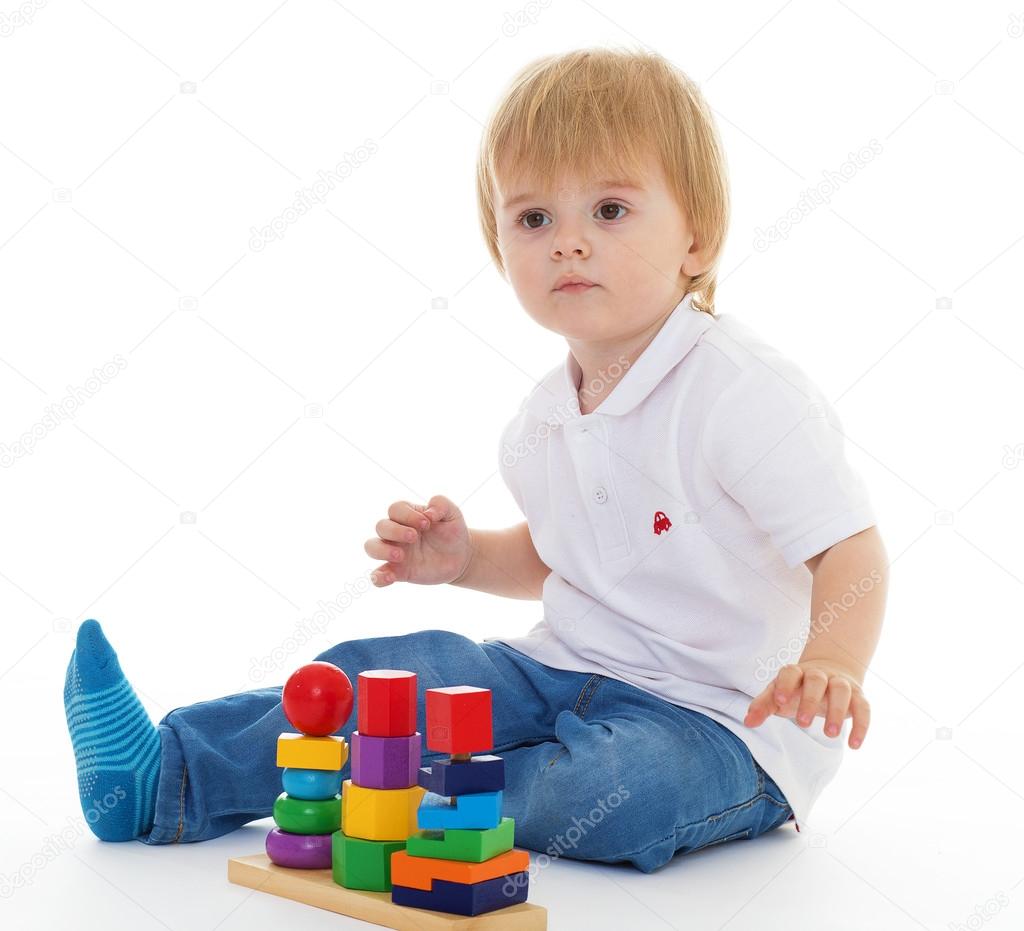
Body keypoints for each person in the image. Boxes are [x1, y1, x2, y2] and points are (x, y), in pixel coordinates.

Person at [63, 47, 888, 873]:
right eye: (535, 219)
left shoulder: (741, 392)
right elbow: (565, 556)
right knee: (383, 681)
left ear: (696, 240)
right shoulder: (544, 416)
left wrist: (832, 661)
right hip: (555, 669)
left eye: (609, 210)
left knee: (618, 789)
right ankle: (167, 775)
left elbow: (849, 546)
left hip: (718, 721)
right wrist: (465, 559)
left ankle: (415, 795)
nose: (568, 243)